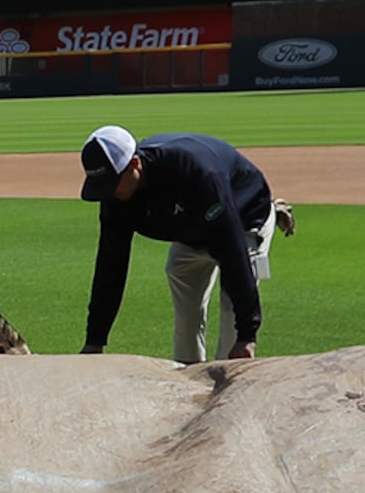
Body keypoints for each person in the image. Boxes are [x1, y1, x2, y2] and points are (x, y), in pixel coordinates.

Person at [74, 125, 290, 364]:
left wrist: (247, 335)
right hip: (193, 228)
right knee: (184, 303)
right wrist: (95, 340)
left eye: (112, 183)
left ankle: (231, 385)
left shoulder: (193, 171)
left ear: (135, 164)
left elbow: (232, 249)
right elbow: (110, 264)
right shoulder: (116, 197)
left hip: (243, 220)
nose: (108, 193)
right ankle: (188, 382)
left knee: (232, 320)